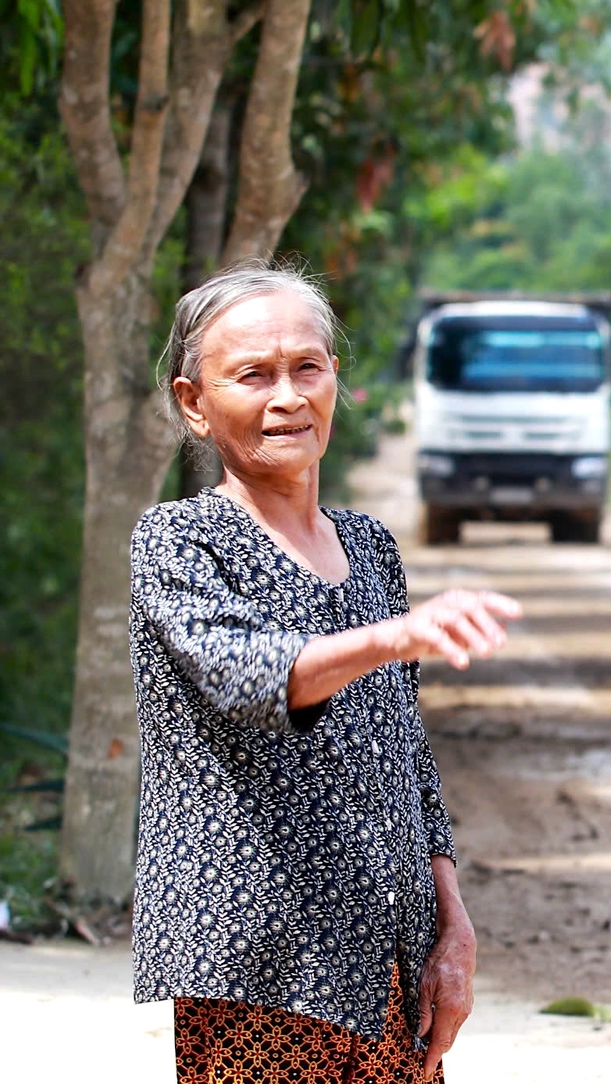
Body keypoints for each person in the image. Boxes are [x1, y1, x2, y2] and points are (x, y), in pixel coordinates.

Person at [130, 261, 521, 1083]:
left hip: (389, 965)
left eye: (307, 367)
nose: (287, 397)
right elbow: (249, 676)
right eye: (253, 375)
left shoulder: (371, 545)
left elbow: (407, 761)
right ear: (195, 403)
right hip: (260, 971)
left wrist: (454, 928)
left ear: (334, 380)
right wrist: (393, 637)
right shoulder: (179, 542)